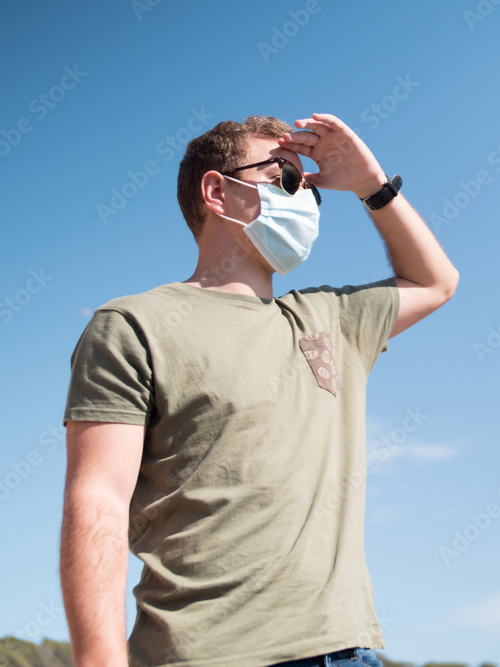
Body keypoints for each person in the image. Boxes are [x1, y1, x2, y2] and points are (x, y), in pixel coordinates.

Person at [59, 112, 459, 667]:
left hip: (345, 650)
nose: (305, 200)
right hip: (202, 654)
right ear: (217, 191)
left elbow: (436, 281)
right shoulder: (133, 325)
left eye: (311, 191)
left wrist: (371, 184)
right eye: (284, 179)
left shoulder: (331, 319)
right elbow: (98, 497)